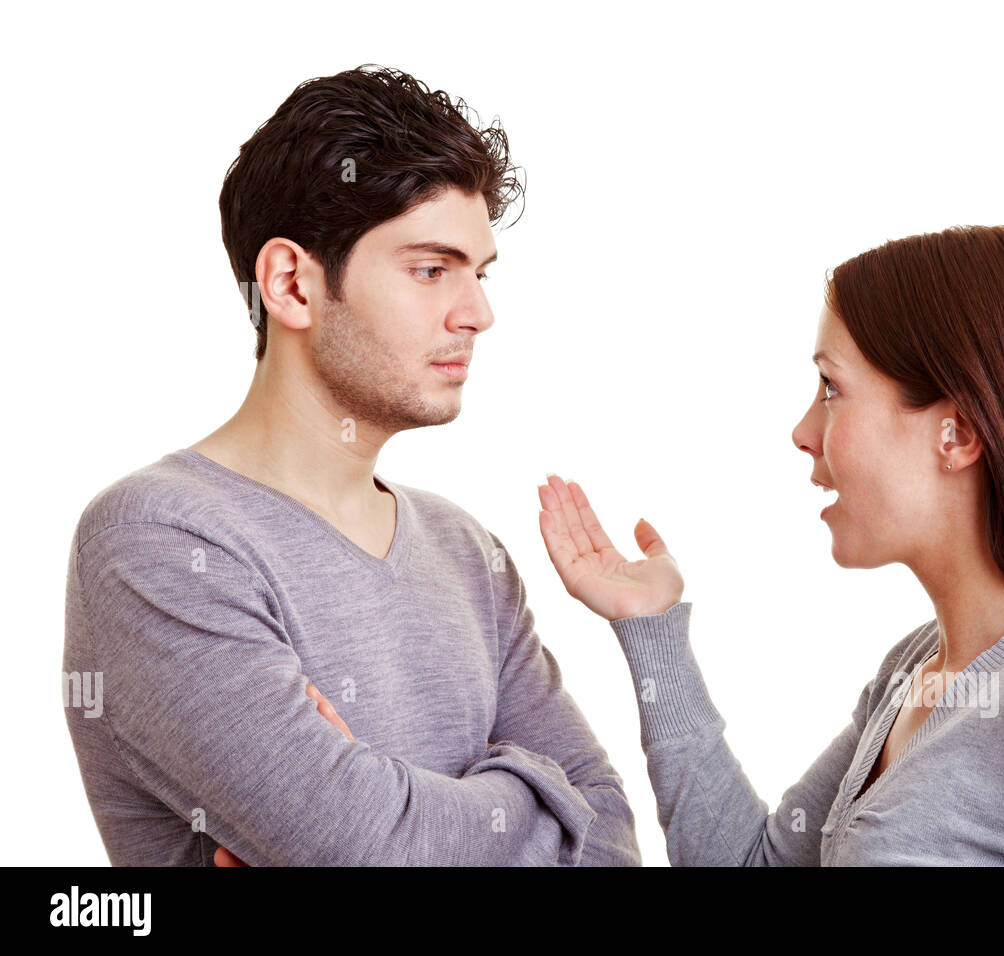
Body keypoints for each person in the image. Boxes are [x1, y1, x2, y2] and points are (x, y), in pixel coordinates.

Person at [535, 225, 1004, 865]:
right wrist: (650, 625)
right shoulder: (915, 669)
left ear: (958, 433)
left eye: (831, 388)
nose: (803, 433)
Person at [62, 65, 639, 866]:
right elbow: (366, 847)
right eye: (432, 269)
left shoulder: (467, 551)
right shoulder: (156, 538)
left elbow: (610, 837)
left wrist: (390, 802)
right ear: (291, 284)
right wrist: (532, 793)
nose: (478, 313)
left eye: (480, 272)